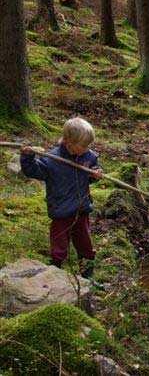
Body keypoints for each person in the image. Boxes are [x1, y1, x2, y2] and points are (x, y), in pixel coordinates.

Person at [20, 117, 103, 278]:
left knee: (85, 242)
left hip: (81, 209)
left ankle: (87, 273)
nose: (87, 149)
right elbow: (32, 171)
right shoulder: (52, 160)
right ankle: (56, 268)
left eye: (88, 145)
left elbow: (91, 176)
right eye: (84, 145)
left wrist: (95, 174)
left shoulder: (88, 157)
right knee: (59, 243)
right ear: (68, 142)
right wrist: (27, 158)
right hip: (61, 210)